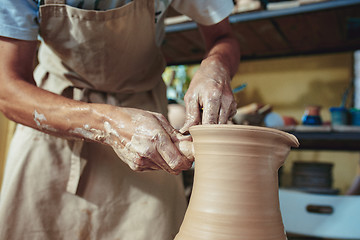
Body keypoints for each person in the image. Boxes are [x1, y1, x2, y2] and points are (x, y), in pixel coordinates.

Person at [0, 0, 240, 239]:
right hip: (55, 113)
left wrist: (216, 64)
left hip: (148, 121)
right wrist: (107, 123)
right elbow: (7, 89)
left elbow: (223, 36)